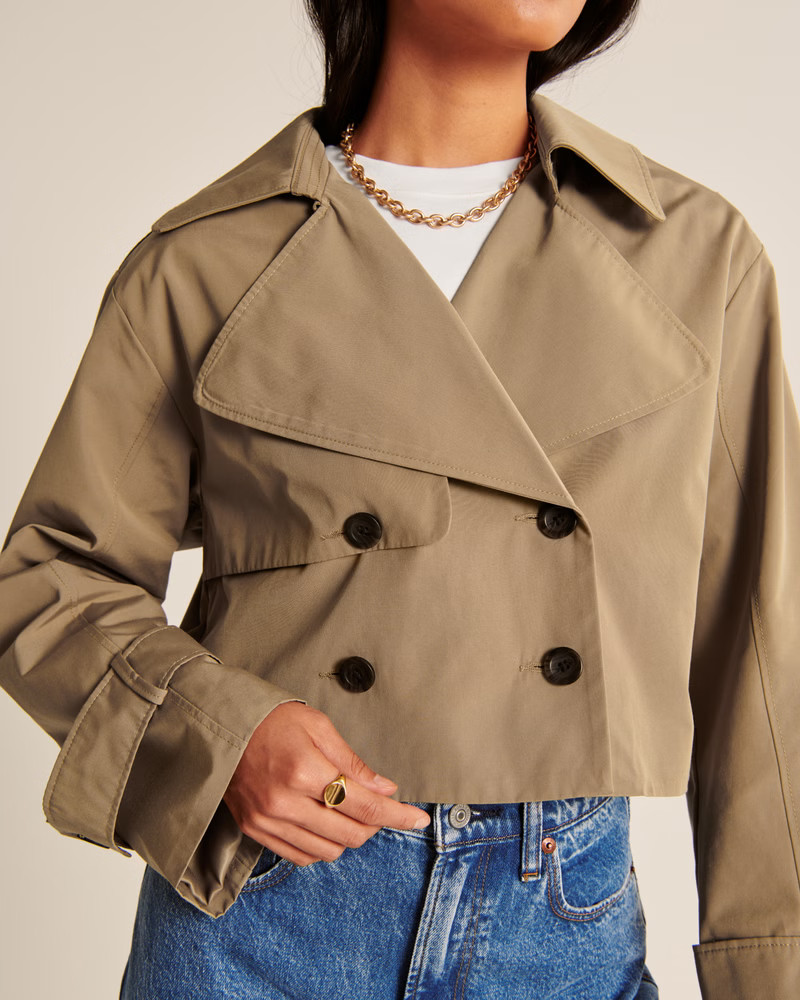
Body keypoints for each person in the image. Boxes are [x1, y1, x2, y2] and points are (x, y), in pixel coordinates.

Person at [1, 0, 798, 997]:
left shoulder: (693, 253)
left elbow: (760, 653)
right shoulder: (208, 258)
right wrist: (217, 735)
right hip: (266, 909)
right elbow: (51, 577)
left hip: (555, 917)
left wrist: (769, 969)